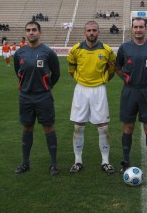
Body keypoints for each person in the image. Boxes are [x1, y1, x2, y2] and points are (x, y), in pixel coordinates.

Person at [115, 17, 147, 176]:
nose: (138, 30)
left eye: (141, 27)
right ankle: (126, 161)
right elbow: (117, 68)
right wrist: (126, 78)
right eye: (135, 27)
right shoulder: (124, 48)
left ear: (146, 28)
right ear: (131, 28)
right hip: (129, 91)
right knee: (128, 126)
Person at [67, 21, 116, 174]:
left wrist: (103, 80)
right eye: (89, 30)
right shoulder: (76, 50)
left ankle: (105, 162)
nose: (91, 33)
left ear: (98, 32)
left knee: (103, 128)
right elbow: (71, 69)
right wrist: (80, 80)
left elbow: (112, 69)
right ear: (84, 32)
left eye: (94, 30)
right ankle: (78, 161)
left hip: (99, 90)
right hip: (81, 90)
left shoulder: (107, 50)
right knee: (78, 126)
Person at [13, 21, 60, 176]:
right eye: (28, 30)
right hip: (25, 97)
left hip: (43, 97)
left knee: (48, 127)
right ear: (26, 33)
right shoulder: (20, 53)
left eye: (34, 30)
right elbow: (18, 72)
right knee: (27, 128)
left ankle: (53, 164)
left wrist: (46, 87)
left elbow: (56, 73)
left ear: (40, 32)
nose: (31, 32)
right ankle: (25, 163)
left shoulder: (48, 52)